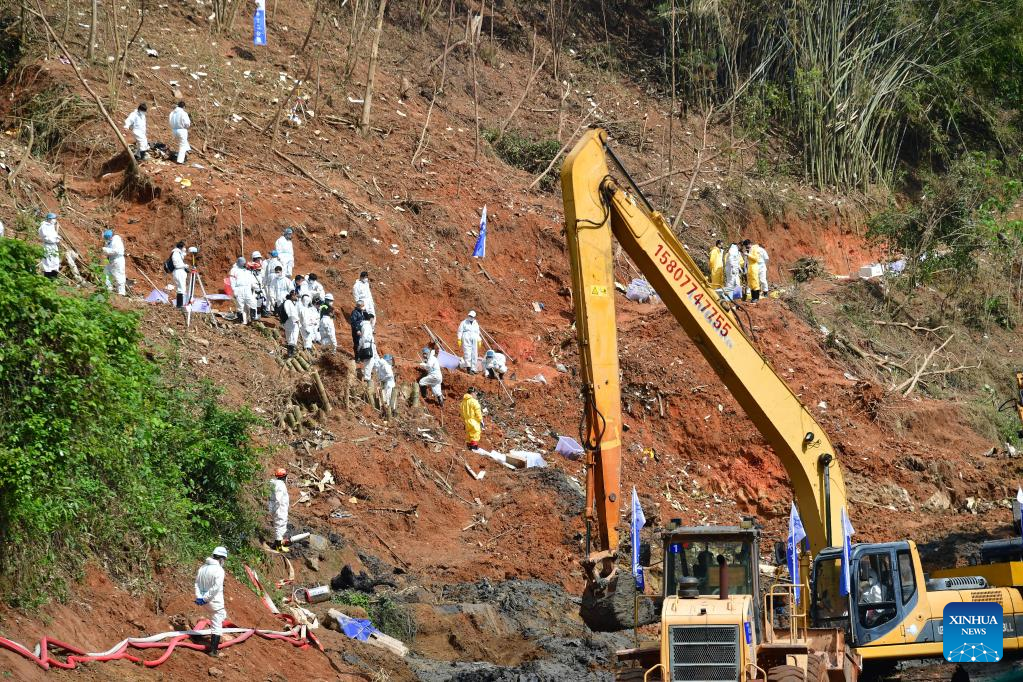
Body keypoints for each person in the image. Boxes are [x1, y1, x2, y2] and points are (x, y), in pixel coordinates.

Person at [194, 546, 228, 658]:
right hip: (214, 602)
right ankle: (213, 651)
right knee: (218, 624)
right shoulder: (219, 570)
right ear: (221, 559)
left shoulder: (202, 568)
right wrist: (205, 598)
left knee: (220, 617)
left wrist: (200, 597)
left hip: (204, 602)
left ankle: (197, 637)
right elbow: (215, 588)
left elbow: (197, 584)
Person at [268, 468, 290, 553]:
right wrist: (276, 509)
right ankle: (278, 547)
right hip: (280, 509)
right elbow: (278, 498)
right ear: (284, 477)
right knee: (280, 526)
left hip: (279, 508)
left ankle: (276, 544)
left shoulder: (275, 483)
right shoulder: (280, 485)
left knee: (280, 525)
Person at [232, 259, 259, 324]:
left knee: (252, 303)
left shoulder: (248, 272)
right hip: (239, 289)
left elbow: (252, 282)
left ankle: (252, 318)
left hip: (246, 289)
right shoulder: (235, 271)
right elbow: (232, 282)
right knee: (240, 306)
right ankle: (242, 321)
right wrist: (234, 291)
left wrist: (257, 287)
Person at [102, 229, 126, 295]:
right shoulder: (110, 241)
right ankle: (108, 288)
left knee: (119, 275)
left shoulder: (116, 240)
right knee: (106, 273)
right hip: (111, 260)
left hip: (118, 260)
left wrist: (105, 250)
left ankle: (121, 293)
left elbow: (115, 251)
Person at [38, 212, 61, 279]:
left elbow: (54, 235)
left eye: (55, 218)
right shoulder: (43, 227)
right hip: (47, 246)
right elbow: (46, 238)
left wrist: (57, 237)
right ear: (49, 219)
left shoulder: (51, 226)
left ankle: (54, 277)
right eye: (53, 218)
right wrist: (55, 239)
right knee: (48, 261)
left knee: (55, 261)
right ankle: (47, 277)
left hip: (53, 246)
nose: (55, 220)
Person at [282, 290, 301, 357]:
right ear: (293, 295)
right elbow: (289, 312)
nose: (297, 297)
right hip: (291, 322)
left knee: (291, 337)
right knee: (293, 337)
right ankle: (290, 352)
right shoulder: (288, 302)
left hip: (291, 322)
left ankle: (290, 352)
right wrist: (295, 320)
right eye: (296, 296)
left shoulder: (291, 303)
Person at [171, 241, 188, 307]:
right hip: (178, 272)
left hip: (180, 272)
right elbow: (176, 265)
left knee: (182, 289)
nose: (185, 248)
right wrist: (184, 266)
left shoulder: (179, 253)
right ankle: (179, 305)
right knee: (181, 289)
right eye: (184, 247)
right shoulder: (175, 253)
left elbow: (180, 260)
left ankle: (180, 305)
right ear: (181, 247)